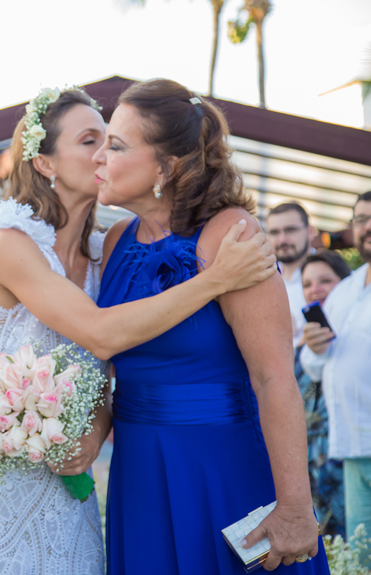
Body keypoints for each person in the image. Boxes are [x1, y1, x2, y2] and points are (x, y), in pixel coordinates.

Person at [0, 86, 277, 575]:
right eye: (89, 141)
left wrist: (95, 434)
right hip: (2, 486)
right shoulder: (10, 245)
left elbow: (106, 377)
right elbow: (100, 335)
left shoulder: (107, 255)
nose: (103, 154)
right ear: (45, 163)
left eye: (112, 142)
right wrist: (216, 279)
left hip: (70, 488)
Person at [94, 78, 328, 573]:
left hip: (220, 466)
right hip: (139, 471)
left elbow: (274, 377)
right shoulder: (116, 240)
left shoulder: (230, 232)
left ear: (167, 167)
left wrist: (294, 507)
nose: (99, 157)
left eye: (115, 145)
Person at [301, 191, 371, 564]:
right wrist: (314, 346)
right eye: (361, 219)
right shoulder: (346, 290)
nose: (367, 226)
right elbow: (317, 366)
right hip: (352, 445)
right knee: (360, 559)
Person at [296, 251, 352, 537]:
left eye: (325, 281)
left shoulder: (358, 339)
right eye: (307, 284)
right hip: (309, 475)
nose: (314, 289)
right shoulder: (297, 351)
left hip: (349, 464)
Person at [267, 202, 317, 343]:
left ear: (310, 232)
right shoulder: (263, 277)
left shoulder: (332, 275)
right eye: (274, 232)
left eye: (290, 230)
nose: (282, 239)